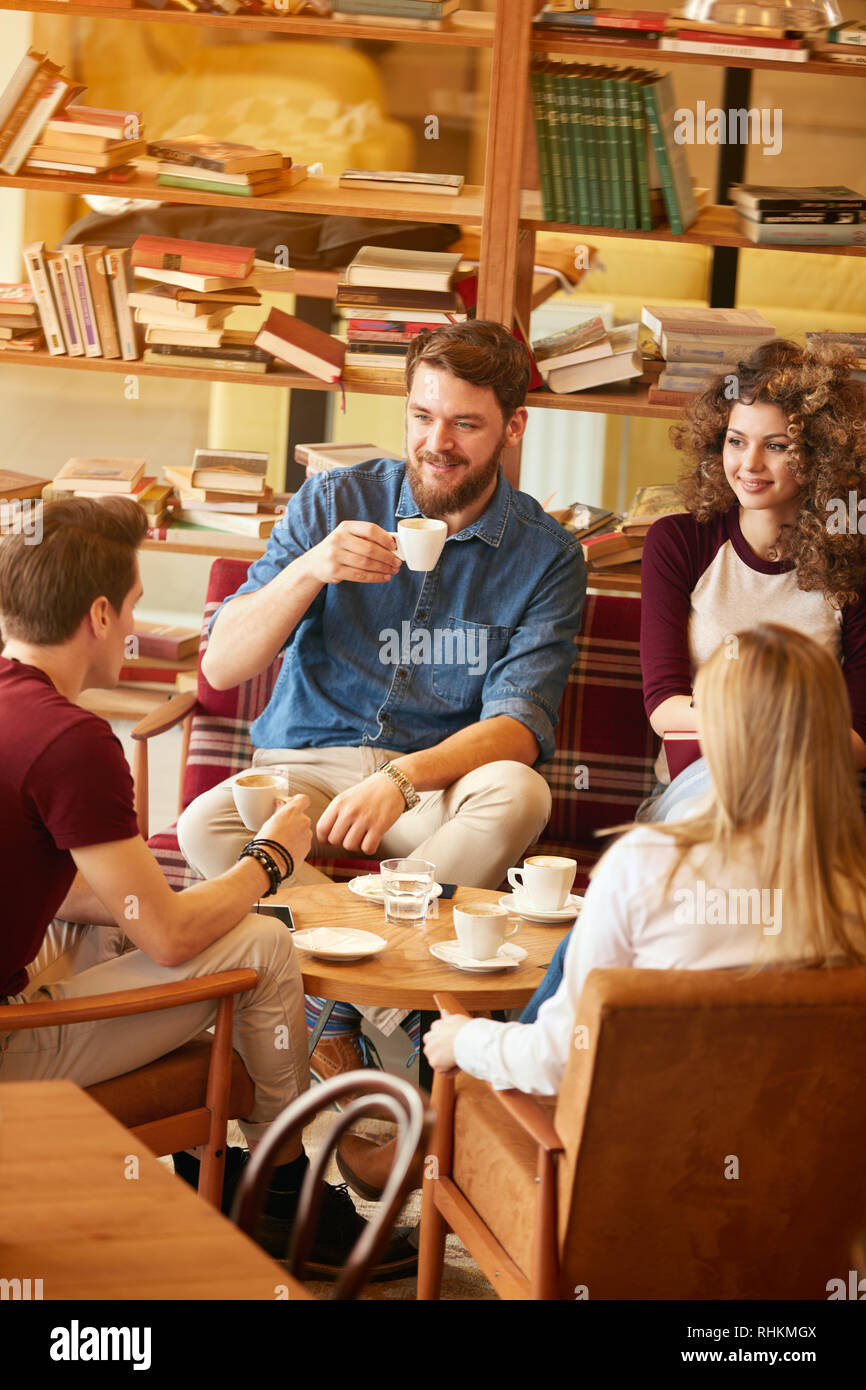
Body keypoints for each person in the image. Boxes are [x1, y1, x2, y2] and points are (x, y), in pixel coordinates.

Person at [0, 497, 416, 1280]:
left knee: (117, 922)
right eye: (130, 607)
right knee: (258, 943)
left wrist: (178, 908)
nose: (132, 626)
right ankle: (288, 1197)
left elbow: (66, 894)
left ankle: (234, 1178)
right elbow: (169, 939)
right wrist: (269, 859)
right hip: (8, 1056)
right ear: (96, 613)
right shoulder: (73, 741)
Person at [176, 320, 586, 1100]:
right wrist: (309, 569)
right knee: (206, 824)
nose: (438, 443)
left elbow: (518, 728)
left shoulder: (547, 555)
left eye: (466, 424)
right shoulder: (335, 498)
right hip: (307, 767)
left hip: (435, 786)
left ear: (513, 427)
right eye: (423, 416)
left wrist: (401, 779)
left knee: (519, 793)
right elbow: (223, 666)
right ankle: (371, 1009)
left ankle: (334, 1006)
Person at [518, 336, 866, 1020]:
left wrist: (758, 743)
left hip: (812, 790)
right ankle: (534, 1054)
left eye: (777, 445)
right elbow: (664, 706)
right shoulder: (681, 540)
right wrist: (768, 731)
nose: (749, 464)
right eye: (737, 441)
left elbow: (856, 738)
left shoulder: (854, 562)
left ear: (821, 455)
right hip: (697, 785)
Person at [424, 624, 866, 1089]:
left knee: (474, 1079)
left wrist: (465, 1038)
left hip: (628, 1154)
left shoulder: (644, 864)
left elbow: (558, 1059)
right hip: (794, 1156)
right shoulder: (852, 885)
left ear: (715, 732)